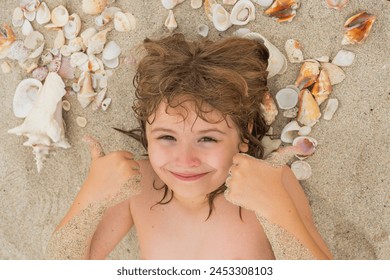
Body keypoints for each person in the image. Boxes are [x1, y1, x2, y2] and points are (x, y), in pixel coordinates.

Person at [46, 34, 332, 260]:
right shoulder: (138, 183)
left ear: (244, 135)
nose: (185, 159)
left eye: (207, 138)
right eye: (167, 138)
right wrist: (91, 198)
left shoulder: (269, 182)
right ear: (147, 131)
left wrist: (275, 207)